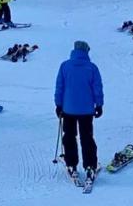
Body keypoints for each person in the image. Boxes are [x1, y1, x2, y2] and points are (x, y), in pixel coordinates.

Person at [55, 40, 104, 186]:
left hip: (68, 109)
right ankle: (90, 166)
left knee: (69, 136)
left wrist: (58, 105)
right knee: (87, 137)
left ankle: (71, 164)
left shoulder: (65, 66)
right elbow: (97, 88)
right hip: (86, 110)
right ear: (86, 52)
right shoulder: (92, 68)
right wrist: (99, 105)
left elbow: (59, 87)